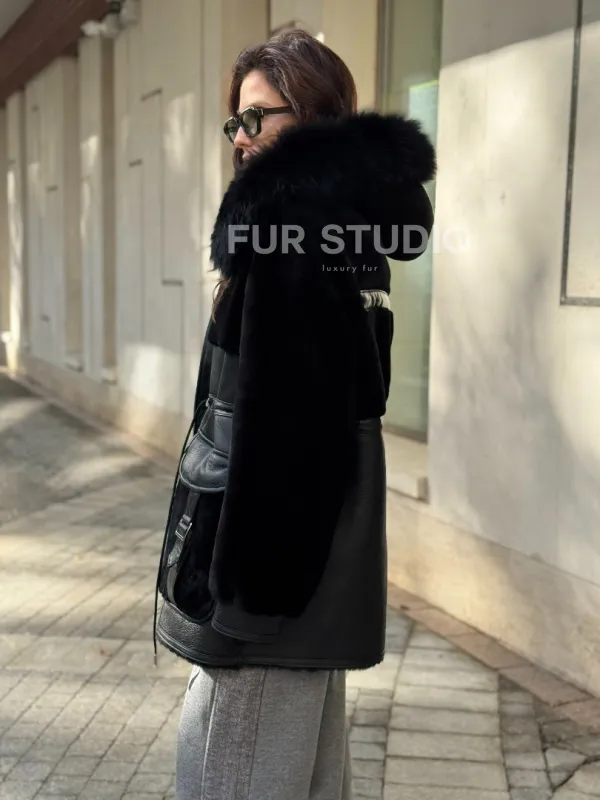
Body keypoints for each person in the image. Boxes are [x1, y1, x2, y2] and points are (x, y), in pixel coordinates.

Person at [153, 29, 435, 800]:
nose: (241, 140)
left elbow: (291, 437)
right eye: (235, 123)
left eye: (257, 118)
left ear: (311, 116)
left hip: (267, 592)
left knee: (234, 774)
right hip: (309, 576)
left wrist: (249, 607)